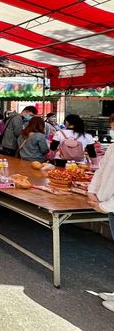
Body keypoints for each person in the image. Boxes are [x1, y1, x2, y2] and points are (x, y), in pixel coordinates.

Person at [87, 113, 114, 313]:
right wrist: (92, 192)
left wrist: (104, 206)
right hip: (107, 205)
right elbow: (101, 170)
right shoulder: (112, 147)